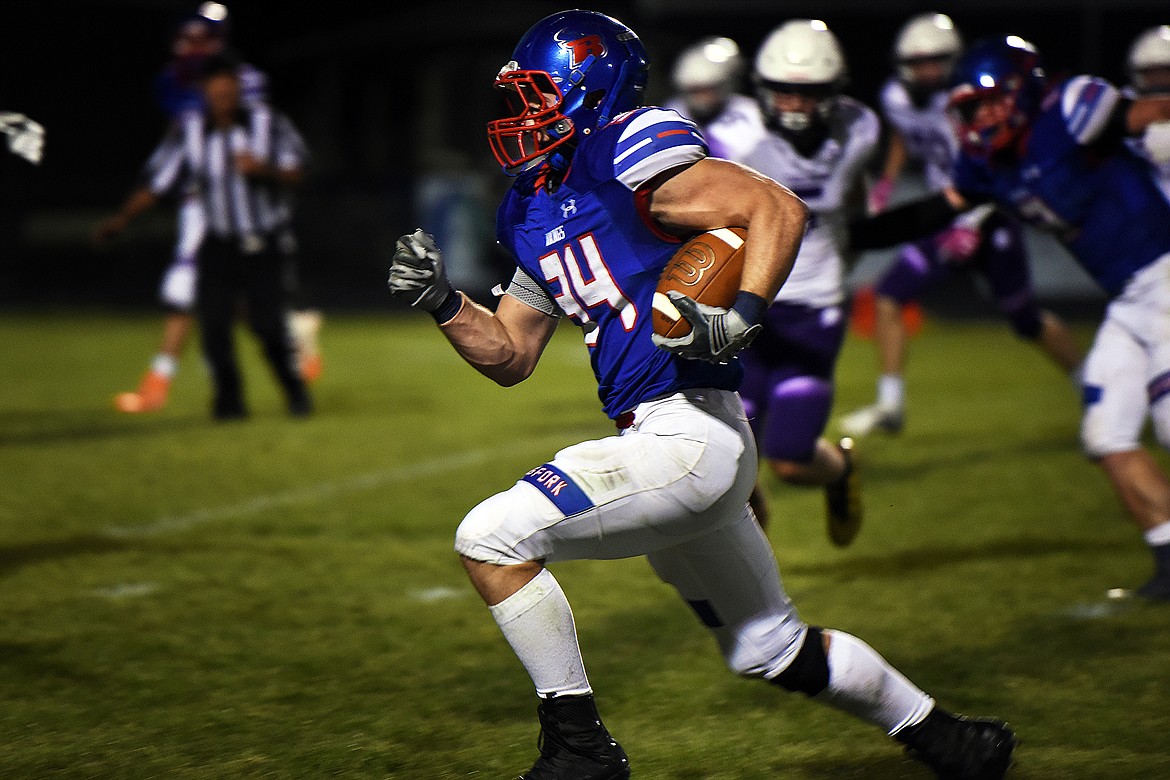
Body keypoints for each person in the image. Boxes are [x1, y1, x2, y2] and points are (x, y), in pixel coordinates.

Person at [388, 10, 1017, 779]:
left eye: (538, 95)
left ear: (590, 92)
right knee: (769, 645)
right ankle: (952, 740)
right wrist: (444, 301)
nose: (522, 115)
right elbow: (513, 353)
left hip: (686, 437)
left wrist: (742, 319)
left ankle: (581, 751)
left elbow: (775, 208)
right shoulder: (530, 205)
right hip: (667, 444)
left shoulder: (629, 144)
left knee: (490, 537)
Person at [851, 34, 1170, 601]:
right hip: (1128, 300)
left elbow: (1152, 111)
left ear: (1022, 90)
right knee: (1106, 432)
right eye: (971, 107)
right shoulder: (989, 162)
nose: (982, 117)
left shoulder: (1070, 108)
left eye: (990, 101)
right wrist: (852, 235)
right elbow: (933, 211)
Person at [838, 13, 1083, 438]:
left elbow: (997, 161)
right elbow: (903, 133)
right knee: (889, 295)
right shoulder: (896, 96)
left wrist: (975, 220)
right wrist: (887, 182)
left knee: (1025, 319)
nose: (925, 71)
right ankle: (890, 404)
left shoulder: (971, 101)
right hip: (946, 213)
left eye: (935, 61)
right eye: (917, 62)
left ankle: (1091, 391)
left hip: (990, 211)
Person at [99, 2, 322, 414]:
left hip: (260, 233)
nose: (220, 90)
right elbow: (159, 176)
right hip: (212, 225)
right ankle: (222, 400)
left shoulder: (265, 121)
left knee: (260, 323)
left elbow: (299, 170)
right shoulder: (189, 124)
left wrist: (263, 170)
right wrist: (122, 218)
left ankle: (291, 379)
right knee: (211, 318)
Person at [723, 19, 874, 548]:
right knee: (731, 460)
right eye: (783, 90)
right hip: (749, 305)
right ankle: (750, 580)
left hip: (814, 310)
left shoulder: (859, 129)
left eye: (807, 92)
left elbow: (850, 199)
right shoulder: (736, 138)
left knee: (787, 459)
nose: (793, 103)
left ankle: (839, 471)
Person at [663, 35, 766, 162]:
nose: (701, 98)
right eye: (694, 91)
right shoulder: (670, 116)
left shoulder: (753, 115)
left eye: (707, 90)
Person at [1125, 24, 1170, 202]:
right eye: (1152, 73)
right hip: (1135, 202)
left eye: (1165, 72)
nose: (1159, 81)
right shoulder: (1124, 103)